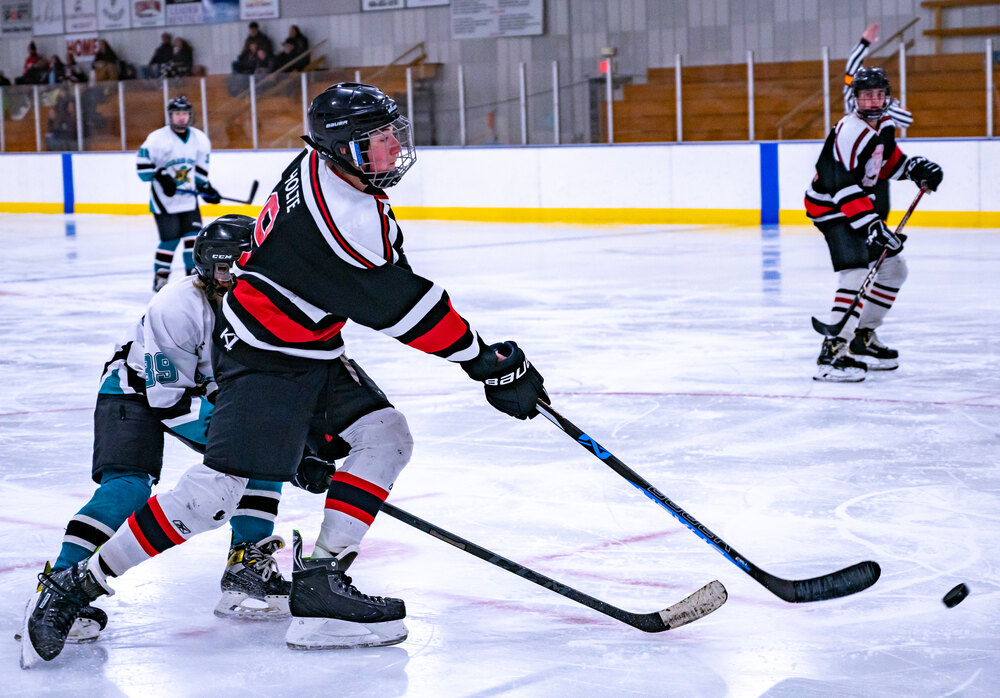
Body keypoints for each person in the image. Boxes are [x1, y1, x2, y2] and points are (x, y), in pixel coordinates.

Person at [20, 82, 548, 663]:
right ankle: (77, 585)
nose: (396, 147)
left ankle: (321, 582)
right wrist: (485, 362)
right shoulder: (340, 218)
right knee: (218, 491)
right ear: (345, 147)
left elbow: (391, 281)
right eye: (381, 138)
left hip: (310, 347)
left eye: (394, 133)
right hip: (262, 356)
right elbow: (403, 307)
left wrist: (480, 356)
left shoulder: (326, 168)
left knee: (385, 435)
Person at [17, 218, 290, 666]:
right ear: (203, 269)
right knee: (127, 487)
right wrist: (237, 441)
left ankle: (246, 564)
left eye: (243, 267)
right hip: (134, 392)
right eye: (223, 271)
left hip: (200, 393)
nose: (233, 279)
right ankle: (61, 582)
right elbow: (166, 399)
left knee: (263, 454)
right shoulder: (176, 306)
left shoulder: (266, 306)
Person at [805, 67, 943, 382]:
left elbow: (886, 164)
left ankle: (862, 337)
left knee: (894, 269)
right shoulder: (850, 130)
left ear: (886, 96)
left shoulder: (885, 123)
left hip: (856, 206)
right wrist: (871, 224)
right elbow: (840, 184)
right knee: (855, 272)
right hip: (831, 208)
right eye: (866, 94)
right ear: (855, 98)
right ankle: (832, 353)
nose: (872, 100)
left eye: (878, 94)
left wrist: (915, 168)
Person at [136, 95, 220, 292]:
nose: (181, 117)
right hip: (164, 201)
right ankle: (161, 277)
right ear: (170, 116)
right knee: (170, 240)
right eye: (177, 114)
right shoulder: (157, 139)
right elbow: (142, 168)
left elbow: (200, 170)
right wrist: (161, 177)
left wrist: (207, 189)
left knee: (193, 238)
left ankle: (192, 277)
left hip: (189, 200)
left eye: (184, 113)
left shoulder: (199, 138)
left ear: (189, 115)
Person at [844, 23, 913, 129]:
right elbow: (852, 66)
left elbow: (907, 120)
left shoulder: (887, 103)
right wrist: (864, 43)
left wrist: (883, 107)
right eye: (868, 93)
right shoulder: (852, 97)